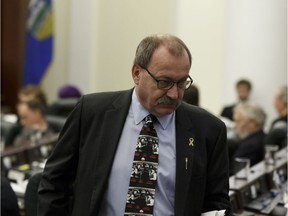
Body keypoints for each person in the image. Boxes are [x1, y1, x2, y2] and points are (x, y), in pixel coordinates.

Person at [38, 34, 232, 216]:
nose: (174, 94)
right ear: (137, 73)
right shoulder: (91, 112)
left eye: (181, 83)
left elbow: (216, 204)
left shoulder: (208, 130)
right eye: (164, 82)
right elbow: (54, 182)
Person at [230, 103, 266, 175]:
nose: (234, 126)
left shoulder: (250, 146)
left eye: (237, 121)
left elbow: (233, 173)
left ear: (252, 123)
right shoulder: (263, 137)